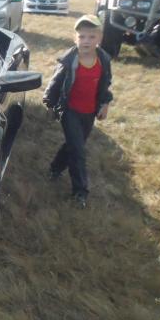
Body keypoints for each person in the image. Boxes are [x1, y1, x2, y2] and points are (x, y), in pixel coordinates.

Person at [43, 15, 113, 209]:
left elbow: (105, 85)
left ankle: (55, 168)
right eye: (82, 37)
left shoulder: (104, 60)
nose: (86, 41)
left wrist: (105, 103)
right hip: (70, 110)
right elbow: (55, 83)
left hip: (89, 113)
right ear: (76, 39)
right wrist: (49, 103)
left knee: (74, 145)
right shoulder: (69, 60)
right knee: (79, 152)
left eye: (91, 37)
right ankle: (80, 192)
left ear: (99, 38)